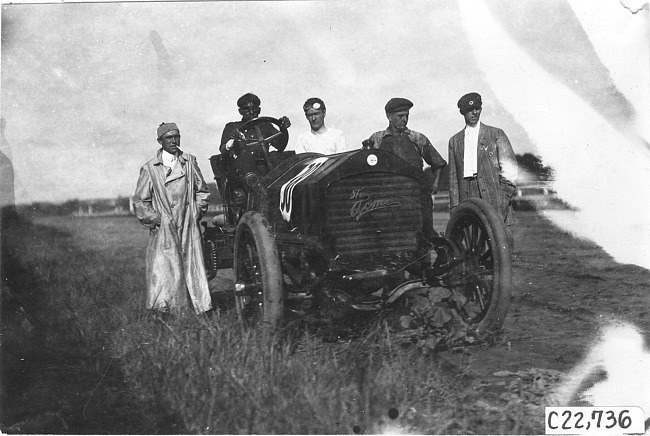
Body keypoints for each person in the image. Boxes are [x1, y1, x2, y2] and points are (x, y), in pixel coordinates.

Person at [133, 122, 212, 314]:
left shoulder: (190, 162)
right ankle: (164, 312)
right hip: (164, 228)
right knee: (163, 270)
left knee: (192, 267)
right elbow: (141, 202)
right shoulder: (150, 168)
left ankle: (200, 310)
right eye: (169, 137)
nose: (174, 141)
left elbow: (202, 192)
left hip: (187, 224)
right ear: (160, 141)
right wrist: (157, 220)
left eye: (177, 136)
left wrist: (194, 212)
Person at [448, 92, 518, 250]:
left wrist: (502, 197)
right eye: (469, 109)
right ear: (463, 112)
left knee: (500, 247)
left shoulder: (496, 134)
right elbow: (453, 178)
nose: (474, 113)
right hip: (467, 197)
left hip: (493, 194)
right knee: (472, 248)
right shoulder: (454, 141)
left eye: (477, 108)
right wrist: (454, 207)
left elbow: (510, 169)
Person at [362, 97, 447, 193]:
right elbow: (365, 166)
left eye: (407, 115)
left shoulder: (417, 138)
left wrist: (435, 185)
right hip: (386, 197)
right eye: (400, 116)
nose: (405, 119)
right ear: (389, 116)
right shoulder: (377, 139)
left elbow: (438, 163)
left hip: (414, 195)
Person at [219, 93, 291, 195]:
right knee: (245, 161)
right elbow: (223, 149)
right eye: (247, 109)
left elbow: (280, 145)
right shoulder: (232, 127)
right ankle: (259, 191)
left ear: (259, 110)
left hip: (265, 168)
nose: (252, 112)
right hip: (241, 172)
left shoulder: (265, 126)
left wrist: (282, 128)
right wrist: (232, 140)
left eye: (254, 109)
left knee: (280, 156)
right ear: (240, 111)